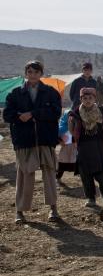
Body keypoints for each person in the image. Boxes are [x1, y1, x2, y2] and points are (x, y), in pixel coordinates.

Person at [3, 61, 63, 224]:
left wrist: (33, 114)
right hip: (25, 140)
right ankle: (20, 211)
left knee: (49, 174)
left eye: (36, 72)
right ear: (26, 73)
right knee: (24, 175)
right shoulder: (15, 93)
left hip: (45, 138)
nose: (33, 75)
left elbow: (56, 112)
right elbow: (7, 115)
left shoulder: (51, 92)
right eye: (30, 72)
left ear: (41, 74)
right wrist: (18, 116)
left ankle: (53, 209)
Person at [69, 87, 103, 208]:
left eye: (90, 98)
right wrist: (73, 131)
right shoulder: (75, 113)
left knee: (102, 173)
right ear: (81, 99)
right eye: (85, 98)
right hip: (83, 148)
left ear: (95, 98)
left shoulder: (101, 111)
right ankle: (91, 198)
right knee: (86, 174)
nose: (88, 100)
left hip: (98, 145)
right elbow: (71, 128)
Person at [56, 108, 77, 187]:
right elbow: (56, 136)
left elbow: (76, 135)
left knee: (77, 163)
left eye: (71, 115)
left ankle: (86, 180)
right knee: (62, 164)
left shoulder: (75, 125)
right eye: (68, 115)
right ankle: (58, 179)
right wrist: (60, 141)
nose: (70, 117)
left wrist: (76, 142)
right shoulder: (60, 127)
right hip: (64, 149)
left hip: (73, 148)